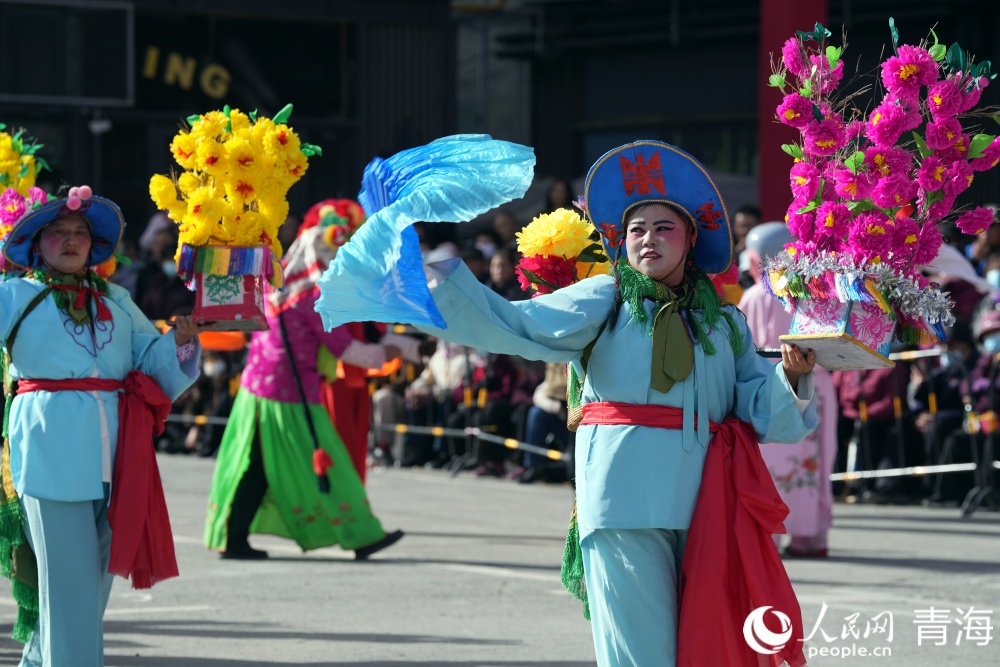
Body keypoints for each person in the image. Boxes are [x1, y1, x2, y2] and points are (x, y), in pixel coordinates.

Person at [321, 139, 818, 666]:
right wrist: (420, 278)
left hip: (707, 501)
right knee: (641, 654)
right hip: (623, 499)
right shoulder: (604, 299)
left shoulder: (726, 322)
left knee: (705, 644)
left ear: (691, 238)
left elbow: (765, 414)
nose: (649, 239)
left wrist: (791, 372)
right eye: (636, 230)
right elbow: (516, 324)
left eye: (664, 227)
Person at [0, 186, 204, 667]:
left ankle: (39, 660)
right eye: (58, 232)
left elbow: (149, 361)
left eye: (80, 234)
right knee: (70, 583)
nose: (71, 241)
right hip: (50, 450)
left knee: (91, 584)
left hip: (119, 454)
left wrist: (180, 342)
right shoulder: (14, 295)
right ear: (35, 243)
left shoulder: (116, 297)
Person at [203, 209, 405, 561]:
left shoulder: (276, 288)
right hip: (290, 396)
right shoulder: (314, 298)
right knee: (330, 462)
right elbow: (343, 348)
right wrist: (388, 351)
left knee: (255, 465)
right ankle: (361, 535)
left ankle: (233, 538)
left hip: (257, 389)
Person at [739, 222, 838, 557]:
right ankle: (808, 536)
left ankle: (770, 535)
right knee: (813, 463)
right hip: (816, 386)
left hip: (770, 388)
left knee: (768, 465)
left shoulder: (753, 296)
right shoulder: (813, 295)